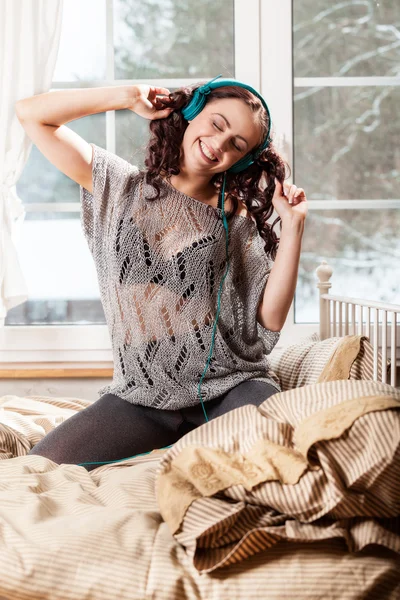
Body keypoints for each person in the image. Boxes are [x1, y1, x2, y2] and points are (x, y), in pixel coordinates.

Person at [15, 77, 308, 471]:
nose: (220, 144)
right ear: (190, 114)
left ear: (241, 159)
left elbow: (268, 322)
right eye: (217, 124)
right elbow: (31, 115)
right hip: (141, 398)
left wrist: (293, 228)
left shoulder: (234, 217)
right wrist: (126, 96)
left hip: (231, 387)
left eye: (237, 144)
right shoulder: (117, 187)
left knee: (278, 459)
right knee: (34, 470)